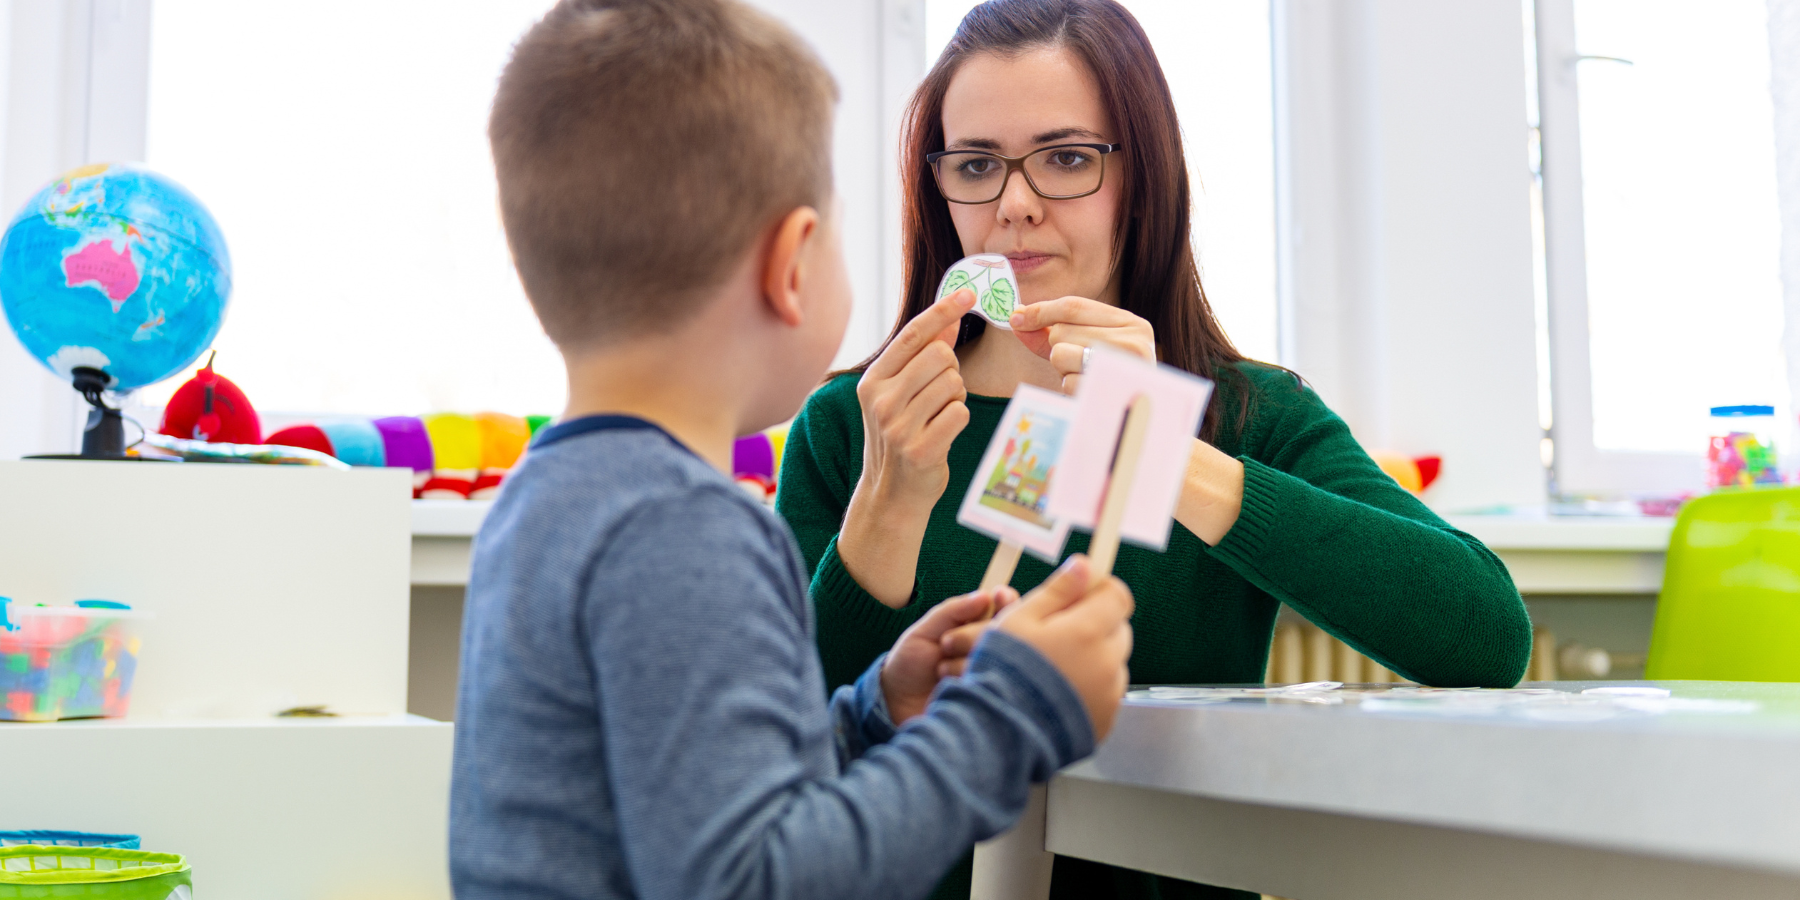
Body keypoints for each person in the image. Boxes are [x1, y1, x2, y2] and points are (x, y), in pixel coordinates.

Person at [776, 1, 1534, 897]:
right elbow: (781, 768)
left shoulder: (1252, 414)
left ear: (1146, 177)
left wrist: (1173, 453)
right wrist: (888, 508)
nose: (1014, 205)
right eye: (977, 165)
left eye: (1065, 159)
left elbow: (1485, 637)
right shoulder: (853, 420)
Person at [448, 2, 1139, 899]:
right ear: (793, 263)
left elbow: (699, 797)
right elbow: (758, 880)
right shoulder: (688, 529)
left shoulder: (543, 499)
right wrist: (1015, 708)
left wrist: (874, 708)